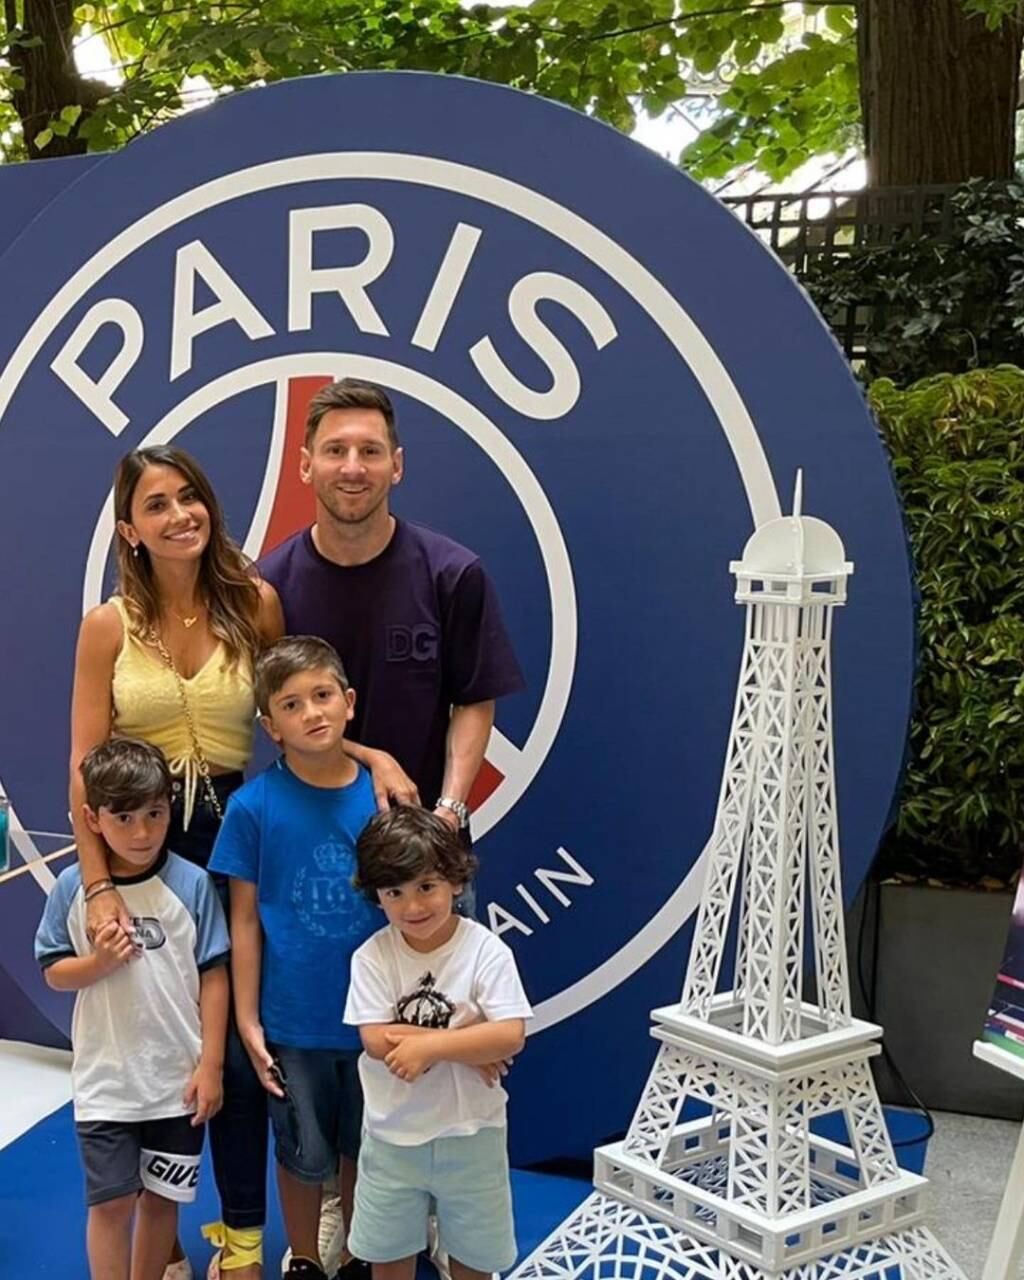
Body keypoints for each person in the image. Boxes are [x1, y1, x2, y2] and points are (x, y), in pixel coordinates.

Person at [69, 445, 413, 1280]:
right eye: (158, 505)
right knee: (171, 1047)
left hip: (234, 835)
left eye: (191, 497)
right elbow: (83, 768)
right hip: (144, 846)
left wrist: (372, 756)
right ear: (131, 529)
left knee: (234, 1052)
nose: (180, 514)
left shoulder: (254, 604)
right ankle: (167, 1234)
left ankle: (247, 1240)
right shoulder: (106, 625)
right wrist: (98, 884)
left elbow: (300, 707)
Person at [257, 377, 524, 860]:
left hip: (426, 849)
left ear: (396, 466)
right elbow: (272, 717)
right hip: (310, 848)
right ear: (304, 465)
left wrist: (447, 812)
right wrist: (370, 759)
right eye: (335, 450)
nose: (353, 468)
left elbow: (474, 700)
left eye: (371, 451)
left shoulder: (452, 574)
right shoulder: (268, 588)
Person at [209, 636, 383, 1280]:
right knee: (301, 1148)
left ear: (349, 702)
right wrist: (250, 1021)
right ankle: (305, 1258)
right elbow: (245, 919)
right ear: (268, 727)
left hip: (374, 1018)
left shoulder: (382, 799)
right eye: (291, 703)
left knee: (365, 1145)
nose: (311, 712)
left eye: (322, 695)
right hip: (292, 1018)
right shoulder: (252, 808)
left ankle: (363, 1251)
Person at [35, 738, 230, 1280]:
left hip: (177, 1081)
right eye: (123, 817)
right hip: (106, 1084)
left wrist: (210, 1063)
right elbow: (53, 970)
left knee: (161, 1202)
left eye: (154, 814)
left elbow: (214, 974)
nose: (142, 832)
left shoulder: (191, 884)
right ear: (93, 819)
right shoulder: (75, 889)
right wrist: (97, 963)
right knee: (111, 1205)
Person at [344, 806, 532, 1280]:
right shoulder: (373, 957)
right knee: (388, 1257)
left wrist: (430, 1047)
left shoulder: (486, 951)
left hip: (473, 1133)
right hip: (392, 1138)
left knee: (476, 1259)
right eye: (394, 893)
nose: (412, 907)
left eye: (426, 886)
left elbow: (510, 1034)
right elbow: (374, 1039)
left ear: (454, 880)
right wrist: (469, 1045)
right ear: (377, 896)